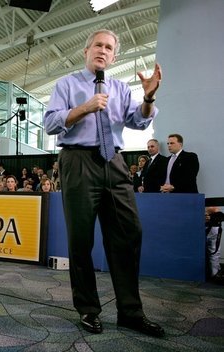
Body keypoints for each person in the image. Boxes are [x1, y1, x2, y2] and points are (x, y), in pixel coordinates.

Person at [43, 29, 164, 337]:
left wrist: (148, 97)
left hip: (114, 162)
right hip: (77, 161)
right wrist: (84, 108)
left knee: (129, 231)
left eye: (109, 47)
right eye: (98, 44)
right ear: (87, 50)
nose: (102, 50)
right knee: (81, 240)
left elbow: (139, 120)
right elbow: (50, 123)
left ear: (114, 57)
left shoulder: (121, 88)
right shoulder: (67, 84)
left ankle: (130, 311)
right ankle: (88, 309)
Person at [205, 207, 224, 284]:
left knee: (213, 251)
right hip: (211, 227)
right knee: (214, 252)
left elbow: (219, 216)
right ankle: (215, 273)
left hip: (211, 227)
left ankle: (215, 273)